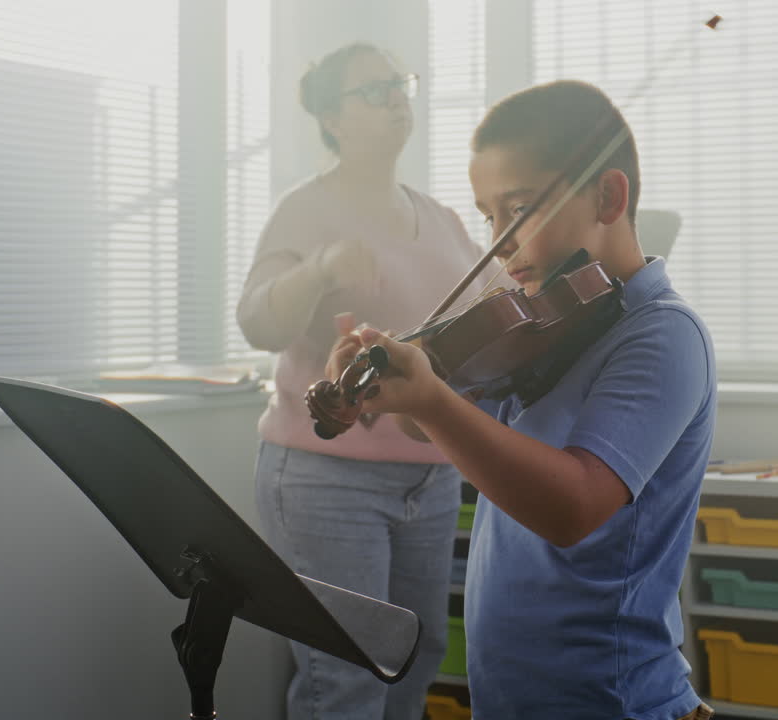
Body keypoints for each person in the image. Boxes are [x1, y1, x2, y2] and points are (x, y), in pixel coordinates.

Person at [324, 80, 718, 720]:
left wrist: (428, 401)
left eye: (519, 209)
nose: (498, 243)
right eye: (487, 215)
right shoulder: (543, 331)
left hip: (612, 700)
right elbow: (443, 425)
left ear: (608, 196)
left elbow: (574, 506)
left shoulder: (662, 335)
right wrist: (394, 389)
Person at [236, 42, 495, 720]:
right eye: (372, 89)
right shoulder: (304, 209)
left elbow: (494, 308)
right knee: (345, 678)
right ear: (331, 118)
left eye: (398, 83)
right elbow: (257, 320)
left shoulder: (438, 218)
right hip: (327, 479)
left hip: (430, 478)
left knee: (418, 658)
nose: (394, 96)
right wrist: (320, 268)